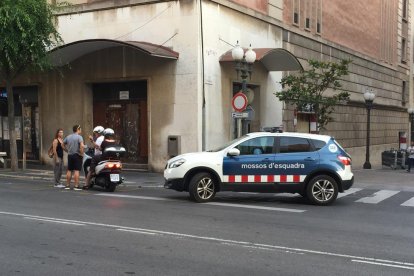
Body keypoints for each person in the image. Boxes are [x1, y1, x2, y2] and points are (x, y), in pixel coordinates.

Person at [63, 125, 84, 190]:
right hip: (77, 155)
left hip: (70, 155)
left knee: (69, 170)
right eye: (80, 129)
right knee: (76, 170)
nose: (81, 130)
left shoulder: (68, 136)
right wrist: (81, 153)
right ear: (78, 129)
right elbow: (81, 146)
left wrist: (66, 150)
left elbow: (62, 144)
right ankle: (76, 186)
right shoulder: (79, 137)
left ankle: (67, 185)